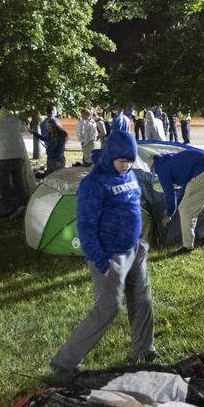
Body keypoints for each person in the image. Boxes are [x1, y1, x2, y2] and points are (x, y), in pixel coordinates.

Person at [50, 129, 154, 377]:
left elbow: (133, 206)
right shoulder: (94, 183)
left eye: (130, 160)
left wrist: (139, 241)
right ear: (109, 157)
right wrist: (101, 260)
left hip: (135, 249)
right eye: (121, 161)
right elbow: (85, 226)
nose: (126, 166)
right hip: (109, 255)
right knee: (108, 307)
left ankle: (143, 350)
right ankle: (64, 363)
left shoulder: (130, 175)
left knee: (142, 300)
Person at [152, 146, 204, 255]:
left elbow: (169, 193)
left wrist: (169, 213)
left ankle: (187, 247)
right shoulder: (172, 160)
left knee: (185, 209)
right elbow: (185, 189)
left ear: (153, 166)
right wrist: (175, 207)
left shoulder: (161, 168)